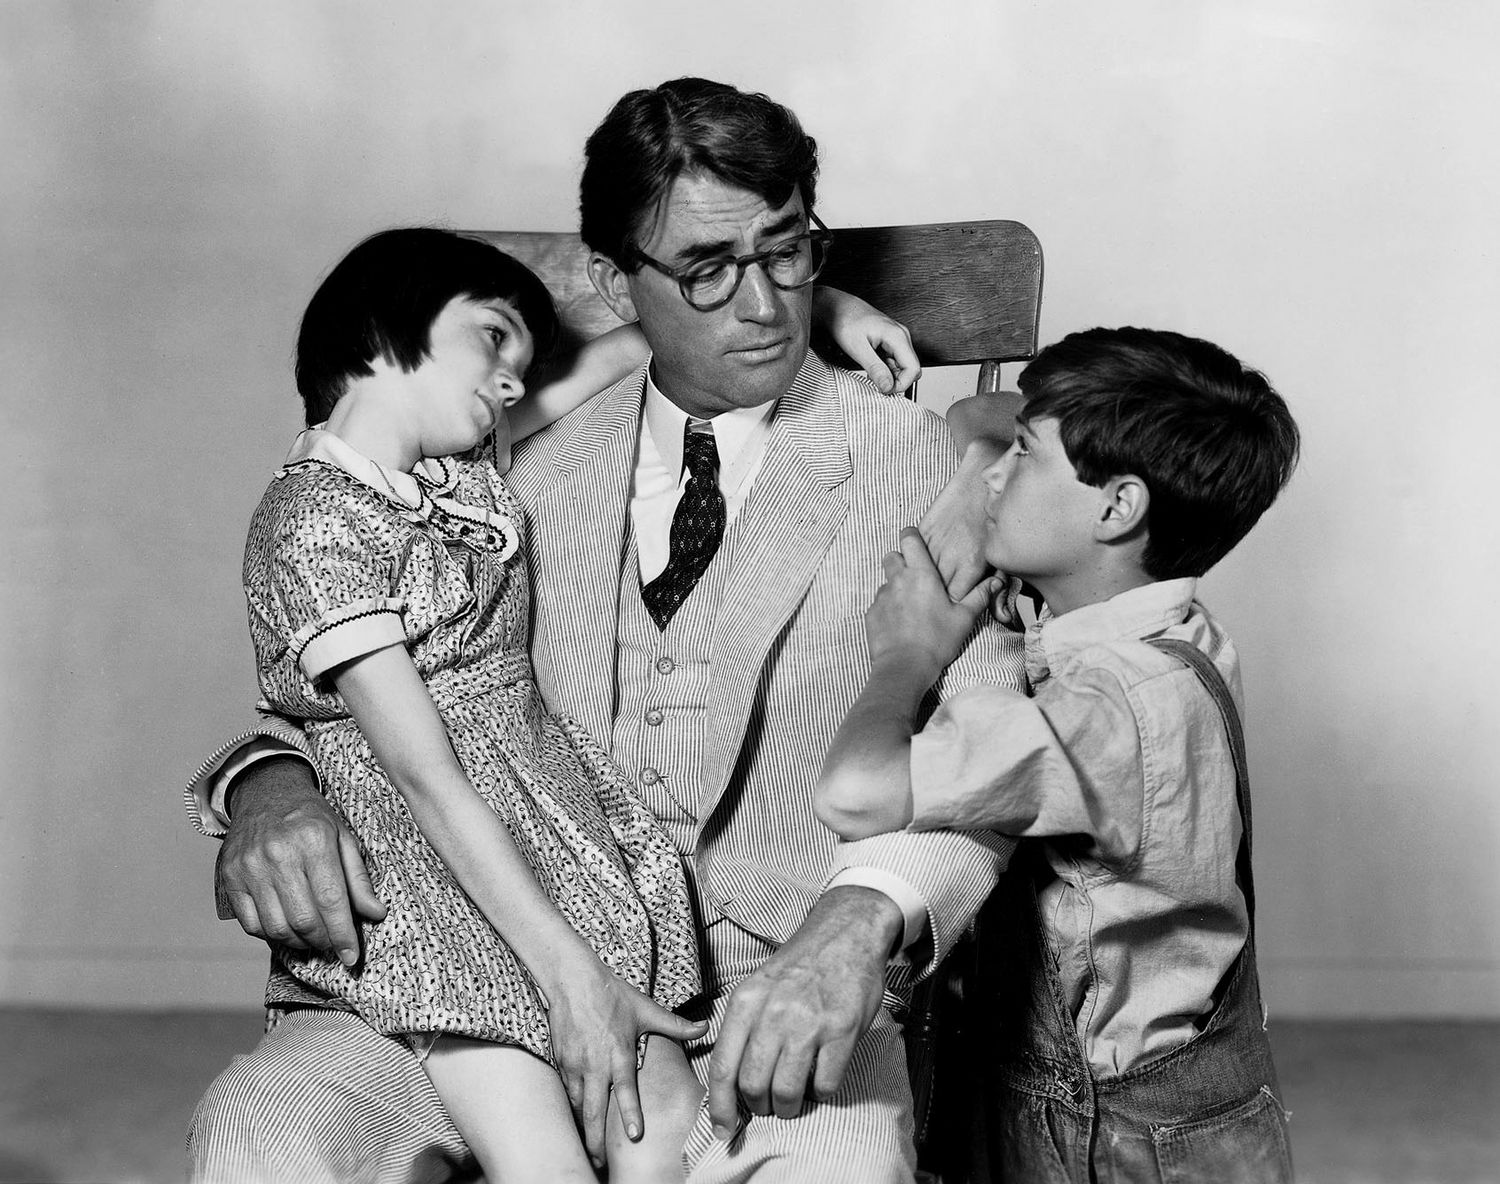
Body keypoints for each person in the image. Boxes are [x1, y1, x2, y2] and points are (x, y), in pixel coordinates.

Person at [187, 77, 1024, 1184]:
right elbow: (332, 655)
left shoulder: (922, 462)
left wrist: (863, 919)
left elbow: (998, 746)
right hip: (470, 966)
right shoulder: (495, 455)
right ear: (613, 282)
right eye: (707, 269)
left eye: (788, 253)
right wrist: (268, 785)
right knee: (261, 1132)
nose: (764, 307)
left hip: (774, 991)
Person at [814, 326, 1300, 1183]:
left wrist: (909, 653)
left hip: (1109, 1143)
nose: (994, 473)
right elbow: (981, 416)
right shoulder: (1167, 634)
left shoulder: (1100, 714)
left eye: (1025, 456)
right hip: (1195, 1104)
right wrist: (995, 463)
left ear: (1117, 508)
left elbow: (853, 790)